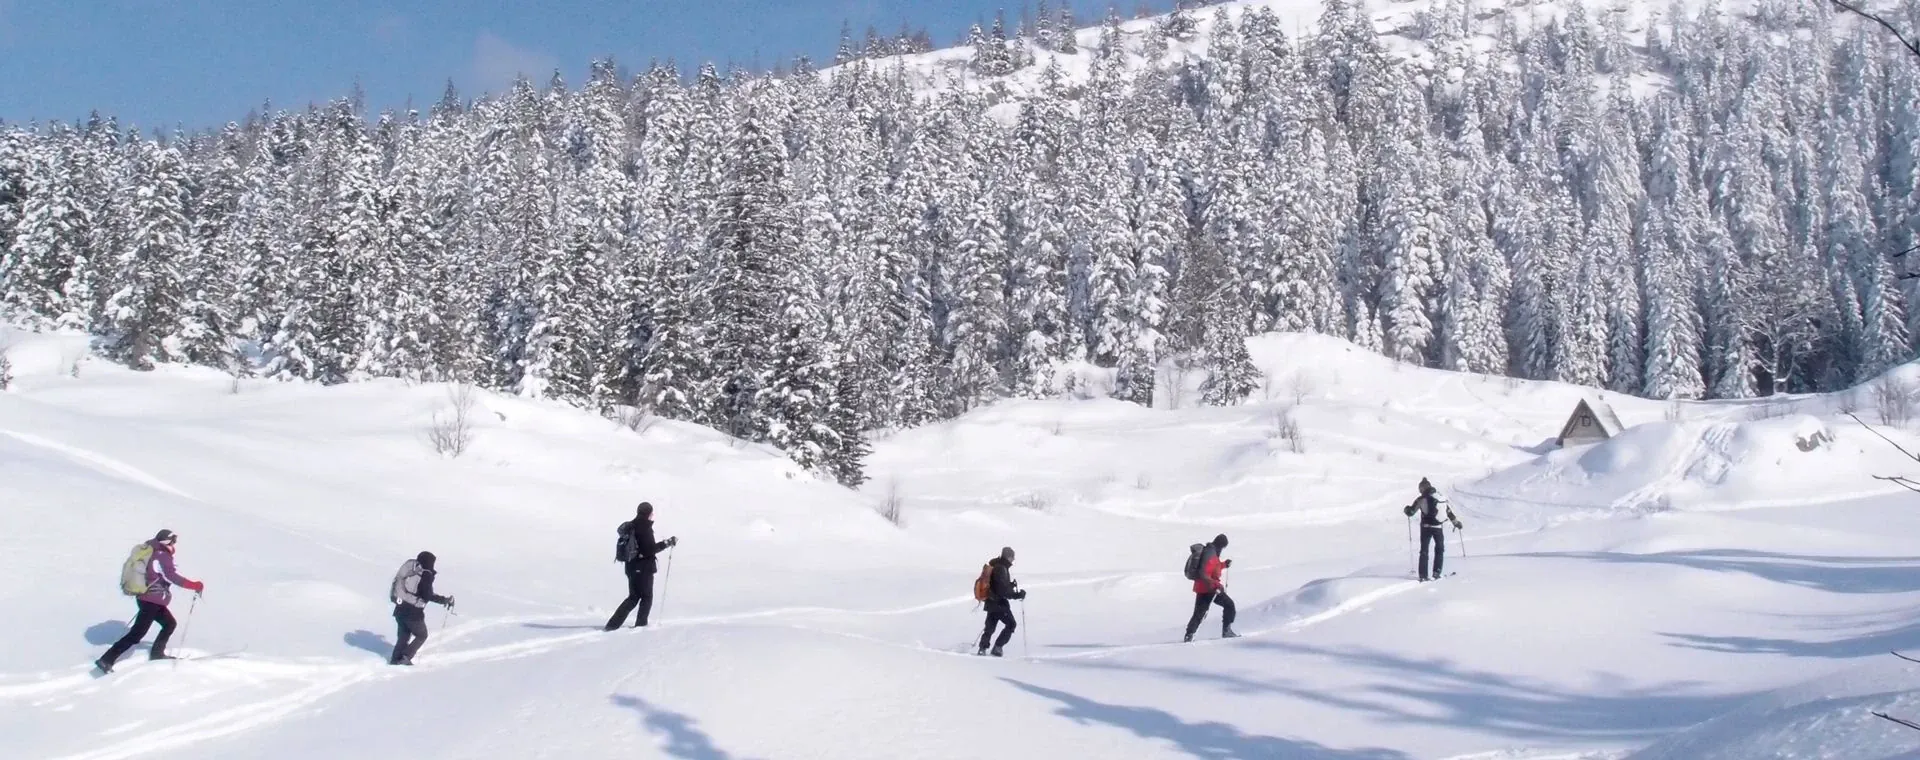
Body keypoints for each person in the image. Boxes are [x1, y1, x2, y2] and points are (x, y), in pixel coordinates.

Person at [95, 529, 205, 673]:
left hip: (151, 600)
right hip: (151, 600)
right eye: (173, 540)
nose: (174, 544)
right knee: (137, 633)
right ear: (167, 541)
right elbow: (171, 576)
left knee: (169, 624)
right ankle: (106, 660)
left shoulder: (153, 552)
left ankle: (157, 654)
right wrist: (194, 585)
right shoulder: (162, 555)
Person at [605, 502, 677, 631]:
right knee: (646, 597)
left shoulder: (632, 525)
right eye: (651, 513)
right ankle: (641, 627)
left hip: (631, 567)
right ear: (648, 513)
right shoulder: (644, 527)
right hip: (643, 568)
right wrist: (667, 543)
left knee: (633, 597)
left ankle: (612, 625)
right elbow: (649, 550)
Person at [389, 551, 454, 665]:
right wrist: (444, 600)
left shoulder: (412, 570)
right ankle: (405, 658)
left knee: (403, 636)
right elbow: (427, 595)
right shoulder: (425, 574)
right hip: (413, 612)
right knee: (422, 635)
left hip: (399, 609)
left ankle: (395, 660)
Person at [1404, 478, 1462, 581]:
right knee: (1439, 549)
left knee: (1424, 551)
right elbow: (1448, 512)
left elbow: (1411, 512)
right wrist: (1456, 523)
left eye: (1420, 488)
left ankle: (1423, 575)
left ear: (1422, 488)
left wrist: (1406, 509)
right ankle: (1437, 572)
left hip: (1425, 527)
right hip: (1438, 527)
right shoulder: (1439, 497)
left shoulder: (1421, 499)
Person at [1184, 533, 1238, 643]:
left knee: (1199, 613)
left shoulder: (1210, 551)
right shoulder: (1211, 554)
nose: (1222, 549)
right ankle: (1226, 631)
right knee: (1228, 605)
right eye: (1223, 546)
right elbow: (1203, 573)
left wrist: (1224, 565)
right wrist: (1216, 584)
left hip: (1204, 587)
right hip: (1209, 589)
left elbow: (1213, 568)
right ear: (1221, 544)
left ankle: (1189, 635)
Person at [976, 547, 1027, 657]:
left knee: (990, 627)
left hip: (991, 602)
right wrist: (1017, 595)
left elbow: (998, 585)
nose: (1013, 559)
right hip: (999, 603)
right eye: (1012, 557)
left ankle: (982, 648)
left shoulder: (997, 565)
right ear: (1008, 557)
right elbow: (1002, 590)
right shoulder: (1001, 568)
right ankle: (997, 647)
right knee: (1011, 624)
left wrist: (1010, 585)